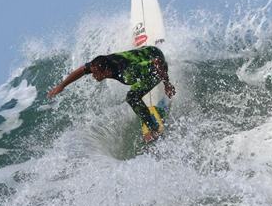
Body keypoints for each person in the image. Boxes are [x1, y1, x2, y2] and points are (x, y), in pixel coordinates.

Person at [47, 46, 176, 142]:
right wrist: (61, 85)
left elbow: (158, 63)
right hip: (145, 53)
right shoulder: (101, 63)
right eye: (92, 72)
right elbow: (82, 70)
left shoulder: (127, 71)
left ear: (106, 71)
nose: (93, 75)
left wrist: (167, 84)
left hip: (155, 61)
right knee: (134, 92)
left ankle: (153, 129)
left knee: (132, 97)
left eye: (96, 73)